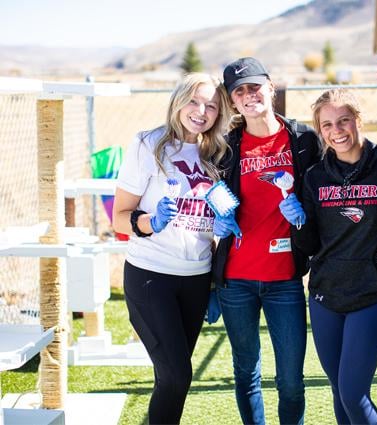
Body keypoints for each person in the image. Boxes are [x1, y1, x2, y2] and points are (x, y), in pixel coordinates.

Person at [112, 73, 229, 424]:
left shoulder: (218, 153)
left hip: (195, 280)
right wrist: (150, 221)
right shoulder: (148, 144)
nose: (201, 111)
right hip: (151, 277)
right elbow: (119, 218)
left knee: (174, 380)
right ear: (178, 100)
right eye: (194, 100)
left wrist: (213, 282)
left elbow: (218, 219)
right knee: (177, 375)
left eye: (211, 105)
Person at [211, 57, 321, 425]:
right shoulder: (226, 147)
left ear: (271, 88)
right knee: (247, 373)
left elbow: (324, 194)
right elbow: (205, 194)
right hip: (236, 281)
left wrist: (305, 216)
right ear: (232, 101)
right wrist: (217, 220)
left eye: (254, 87)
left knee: (291, 379)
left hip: (285, 280)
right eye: (239, 91)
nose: (248, 95)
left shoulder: (303, 140)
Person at [284, 88, 377, 424]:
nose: (337, 131)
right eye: (327, 125)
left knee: (353, 392)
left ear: (358, 120)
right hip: (324, 295)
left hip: (371, 294)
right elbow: (308, 244)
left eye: (344, 121)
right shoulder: (315, 176)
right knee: (338, 390)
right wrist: (297, 221)